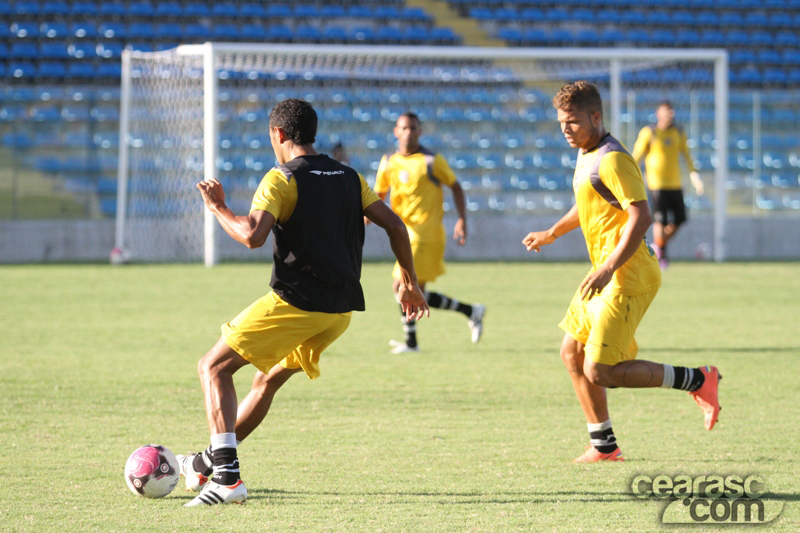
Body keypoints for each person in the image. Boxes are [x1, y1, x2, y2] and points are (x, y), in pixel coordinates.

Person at [180, 99, 429, 506]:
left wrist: (218, 207)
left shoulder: (280, 178)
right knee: (266, 381)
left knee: (213, 367)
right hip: (339, 312)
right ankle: (208, 461)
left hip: (297, 303)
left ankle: (227, 478)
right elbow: (395, 224)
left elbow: (251, 236)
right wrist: (410, 281)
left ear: (278, 134)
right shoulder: (349, 176)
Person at [522, 82, 721, 463]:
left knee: (600, 370)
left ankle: (698, 379)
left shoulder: (613, 158)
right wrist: (551, 233)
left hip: (627, 276)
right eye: (562, 122)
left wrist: (609, 266)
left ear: (596, 117)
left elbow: (642, 216)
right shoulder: (585, 153)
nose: (566, 129)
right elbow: (588, 203)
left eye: (574, 122)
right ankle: (604, 446)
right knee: (571, 353)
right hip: (604, 272)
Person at [374, 112, 485, 354]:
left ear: (420, 131)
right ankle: (470, 311)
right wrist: (364, 219)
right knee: (411, 290)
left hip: (426, 234)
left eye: (413, 128)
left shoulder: (431, 161)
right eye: (404, 128)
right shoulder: (389, 161)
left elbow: (456, 186)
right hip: (404, 234)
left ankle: (413, 342)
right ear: (396, 131)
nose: (409, 133)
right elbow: (380, 194)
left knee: (402, 287)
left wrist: (462, 219)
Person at [631, 101, 704, 269]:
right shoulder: (650, 133)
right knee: (660, 221)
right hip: (656, 184)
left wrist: (695, 176)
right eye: (666, 112)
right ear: (658, 114)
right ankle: (661, 253)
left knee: (680, 220)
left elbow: (687, 156)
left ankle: (657, 247)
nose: (669, 115)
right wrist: (630, 174)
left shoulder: (678, 132)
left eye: (671, 112)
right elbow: (637, 156)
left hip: (675, 184)